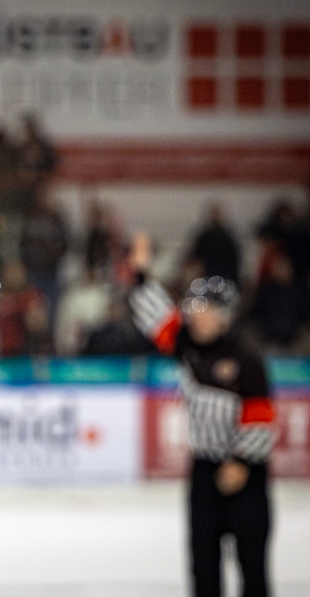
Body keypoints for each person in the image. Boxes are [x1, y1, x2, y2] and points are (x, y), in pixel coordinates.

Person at [128, 232, 276, 597]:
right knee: (203, 566)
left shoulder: (246, 358)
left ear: (224, 315)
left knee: (252, 569)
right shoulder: (187, 345)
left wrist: (241, 461)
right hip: (205, 473)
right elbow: (154, 315)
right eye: (192, 308)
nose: (194, 315)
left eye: (202, 309)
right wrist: (142, 275)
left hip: (246, 476)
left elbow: (261, 417)